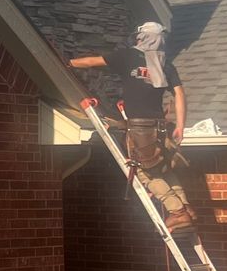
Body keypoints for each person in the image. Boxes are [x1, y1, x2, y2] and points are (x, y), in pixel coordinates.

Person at [69, 21, 195, 233]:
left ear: (142, 37)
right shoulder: (165, 64)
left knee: (143, 171)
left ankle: (177, 212)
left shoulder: (127, 56)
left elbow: (91, 62)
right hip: (160, 126)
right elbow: (180, 94)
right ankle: (187, 209)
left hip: (140, 126)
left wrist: (69, 63)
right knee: (161, 167)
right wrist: (181, 126)